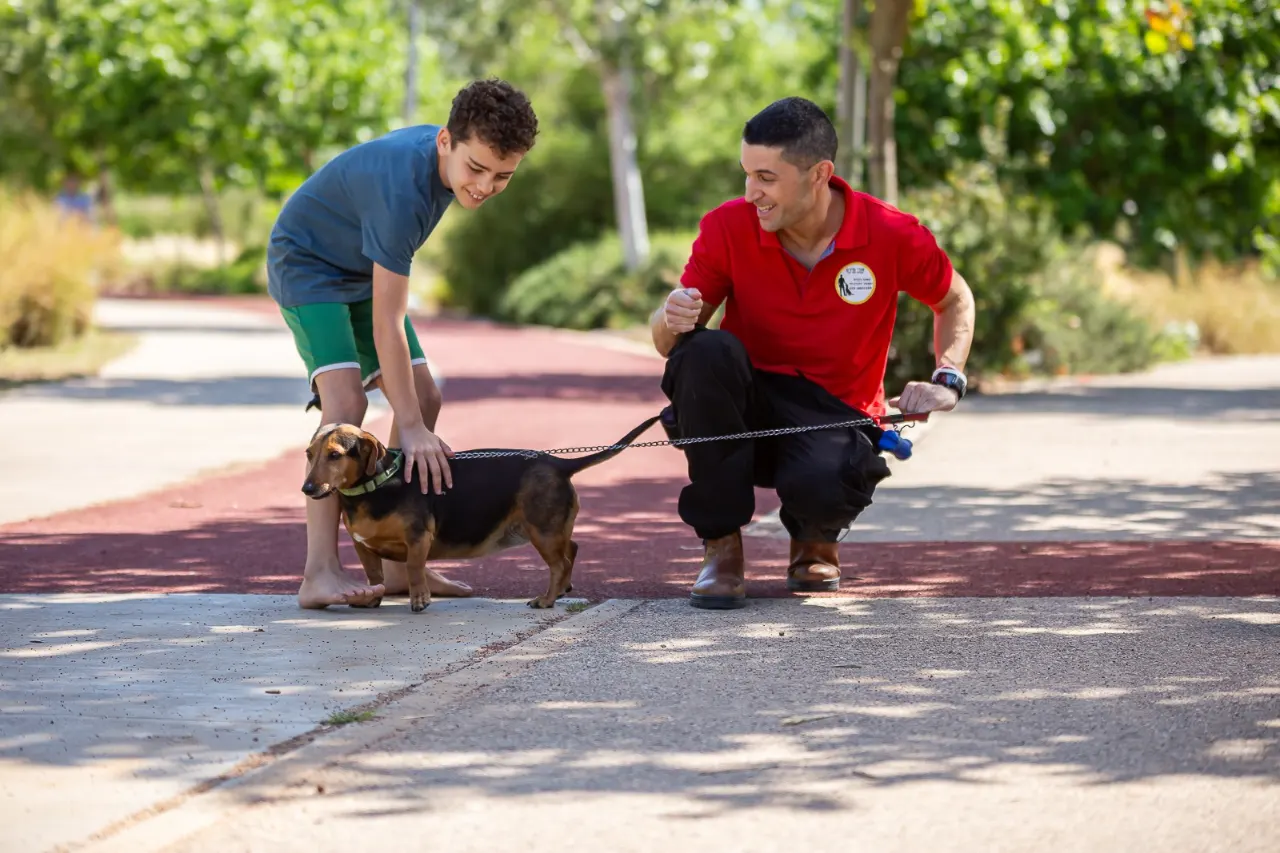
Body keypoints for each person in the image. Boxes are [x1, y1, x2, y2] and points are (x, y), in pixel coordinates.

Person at [650, 96, 976, 610]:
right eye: (747, 175)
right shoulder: (727, 226)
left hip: (834, 412)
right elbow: (672, 344)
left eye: (766, 178)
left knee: (823, 483)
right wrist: (668, 317)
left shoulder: (891, 233)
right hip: (748, 412)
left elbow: (954, 297)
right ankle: (721, 548)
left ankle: (814, 540)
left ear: (819, 174)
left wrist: (948, 377)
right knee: (703, 352)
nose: (751, 193)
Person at [267, 78, 539, 609]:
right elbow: (388, 323)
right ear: (445, 141)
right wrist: (409, 429)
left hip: (358, 268)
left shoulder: (449, 163)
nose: (485, 186)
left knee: (425, 396)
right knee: (346, 405)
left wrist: (417, 418)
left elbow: (387, 317)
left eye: (503, 176)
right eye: (476, 169)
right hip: (308, 264)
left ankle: (397, 564)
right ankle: (318, 573)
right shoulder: (403, 195)